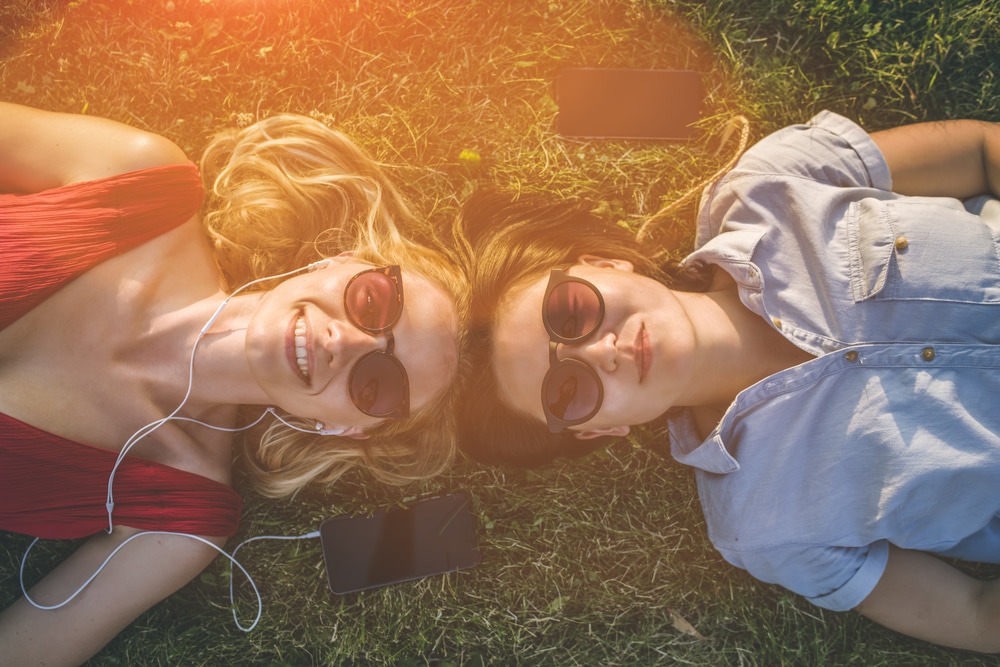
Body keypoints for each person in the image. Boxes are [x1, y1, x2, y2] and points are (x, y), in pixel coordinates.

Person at [452, 110, 1000, 653]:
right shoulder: (765, 528)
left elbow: (979, 151)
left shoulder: (769, 185)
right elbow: (976, 616)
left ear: (606, 264)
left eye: (570, 313)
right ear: (600, 431)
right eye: (567, 391)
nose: (602, 351)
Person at [0, 101, 465, 665]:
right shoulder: (139, 175)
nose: (348, 342)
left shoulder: (178, 518)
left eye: (377, 385)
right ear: (337, 262)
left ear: (344, 427)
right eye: (372, 302)